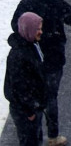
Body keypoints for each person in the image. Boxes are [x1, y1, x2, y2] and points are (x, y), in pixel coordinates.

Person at [11, 0, 71, 146]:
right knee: (50, 96)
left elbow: (15, 25)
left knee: (31, 93)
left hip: (32, 59)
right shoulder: (57, 5)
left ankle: (32, 130)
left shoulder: (25, 5)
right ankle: (53, 135)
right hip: (53, 60)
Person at [5, 12, 46, 146]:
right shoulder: (19, 55)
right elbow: (19, 87)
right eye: (37, 29)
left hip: (32, 107)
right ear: (28, 30)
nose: (41, 32)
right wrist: (30, 111)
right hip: (26, 110)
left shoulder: (30, 45)